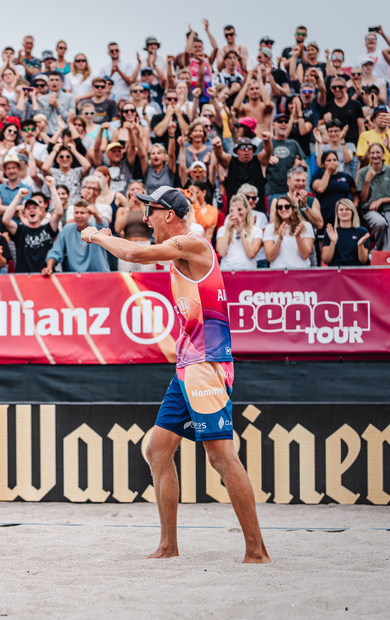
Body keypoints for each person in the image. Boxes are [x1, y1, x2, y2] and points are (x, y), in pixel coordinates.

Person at [80, 186, 270, 563]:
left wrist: (100, 236)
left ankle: (257, 551)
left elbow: (134, 253)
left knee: (221, 457)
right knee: (156, 449)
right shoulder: (183, 243)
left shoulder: (193, 243)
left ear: (168, 214)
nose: (144, 218)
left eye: (149, 211)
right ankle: (168, 546)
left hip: (207, 364)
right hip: (187, 364)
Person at [356, 142, 390, 251]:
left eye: (378, 152)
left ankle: (385, 255)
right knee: (380, 223)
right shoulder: (363, 172)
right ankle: (378, 250)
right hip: (370, 209)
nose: (375, 155)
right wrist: (367, 181)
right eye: (372, 153)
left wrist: (381, 200)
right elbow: (363, 199)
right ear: (369, 155)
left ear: (383, 154)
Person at [42, 199, 111, 274]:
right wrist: (49, 267)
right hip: (77, 277)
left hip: (100, 275)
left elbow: (103, 224)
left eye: (82, 213)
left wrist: (96, 214)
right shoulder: (67, 229)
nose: (79, 216)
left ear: (89, 214)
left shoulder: (96, 228)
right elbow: (55, 251)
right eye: (76, 212)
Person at [216, 194, 263, 270]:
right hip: (227, 270)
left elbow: (251, 253)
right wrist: (228, 229)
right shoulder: (222, 229)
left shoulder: (256, 230)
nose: (237, 213)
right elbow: (221, 252)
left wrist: (241, 232)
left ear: (247, 209)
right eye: (232, 210)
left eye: (239, 209)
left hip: (248, 271)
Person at [263, 197, 314, 269]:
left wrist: (298, 236)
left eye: (287, 206)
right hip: (279, 272)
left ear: (293, 208)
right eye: (280, 207)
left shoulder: (306, 226)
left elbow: (305, 255)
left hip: (301, 270)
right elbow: (270, 257)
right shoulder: (270, 228)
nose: (283, 209)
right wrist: (279, 239)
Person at [321, 198, 371, 266]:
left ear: (352, 212)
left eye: (347, 209)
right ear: (337, 213)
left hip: (356, 271)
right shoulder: (331, 232)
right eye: (341, 210)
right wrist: (333, 243)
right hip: (336, 271)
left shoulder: (362, 232)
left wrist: (360, 245)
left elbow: (363, 261)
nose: (344, 212)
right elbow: (326, 260)